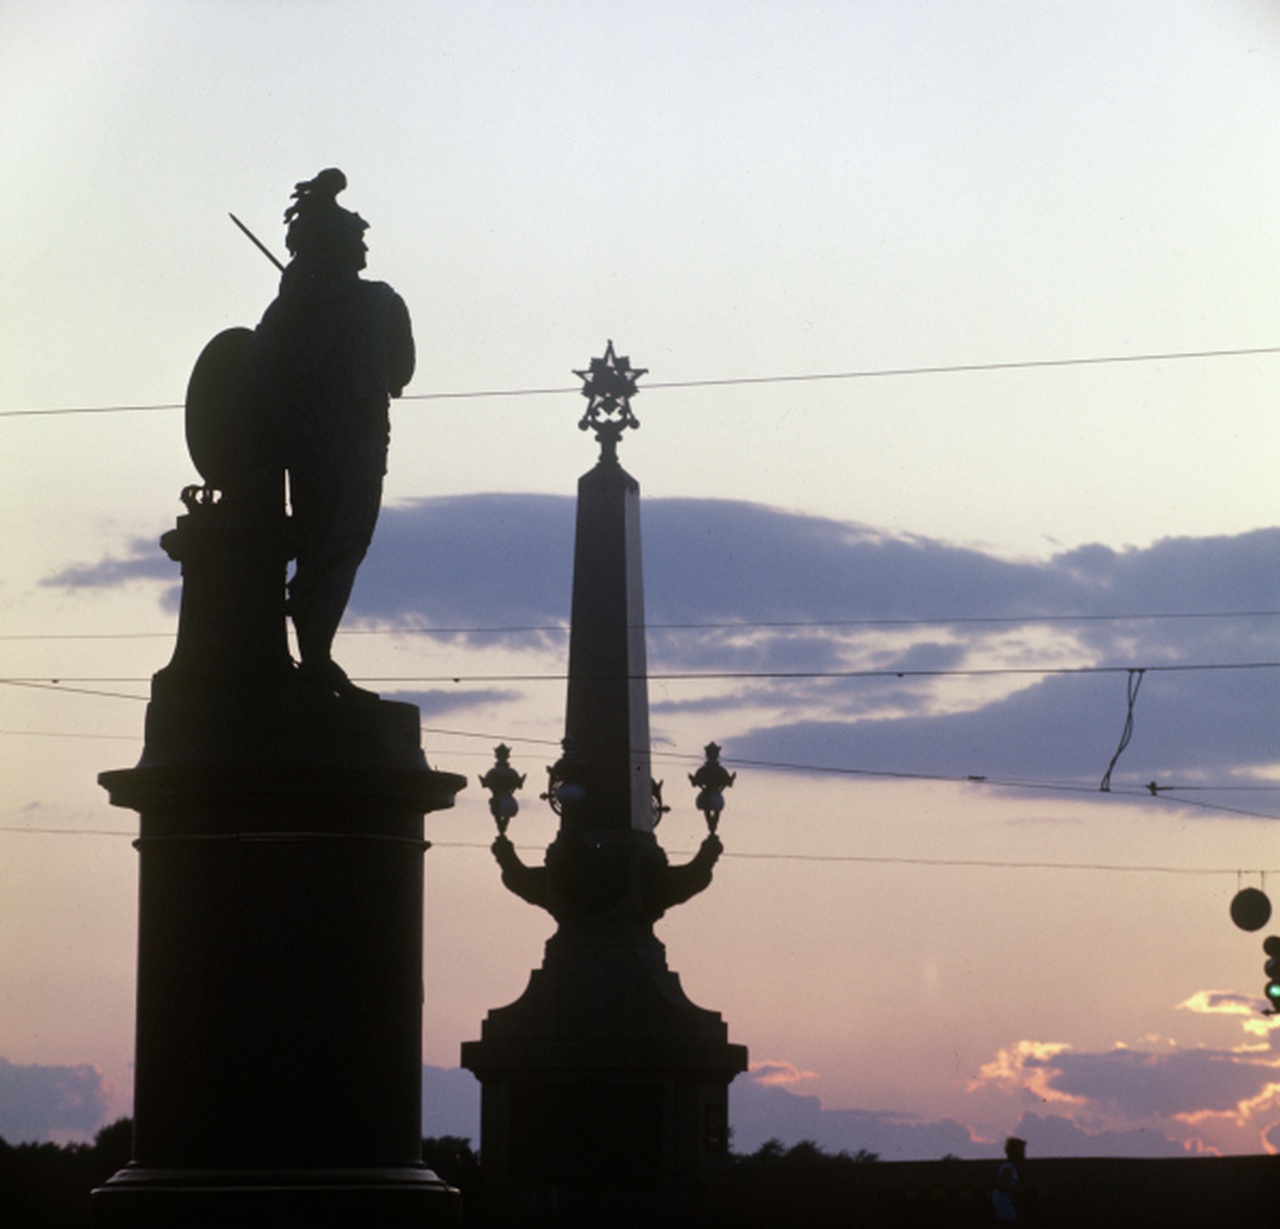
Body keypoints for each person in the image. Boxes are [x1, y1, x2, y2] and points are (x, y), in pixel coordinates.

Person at [249, 169, 414, 696]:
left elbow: (253, 375)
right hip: (358, 448)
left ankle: (315, 650)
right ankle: (317, 656)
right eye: (359, 237)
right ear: (342, 247)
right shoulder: (381, 302)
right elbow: (402, 373)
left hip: (305, 448)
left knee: (319, 545)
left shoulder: (284, 315)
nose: (366, 244)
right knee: (342, 545)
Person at [993, 1135, 1025, 1223]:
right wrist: (1014, 1190)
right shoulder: (1008, 1168)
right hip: (1003, 1201)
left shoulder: (1012, 1167)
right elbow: (1000, 1184)